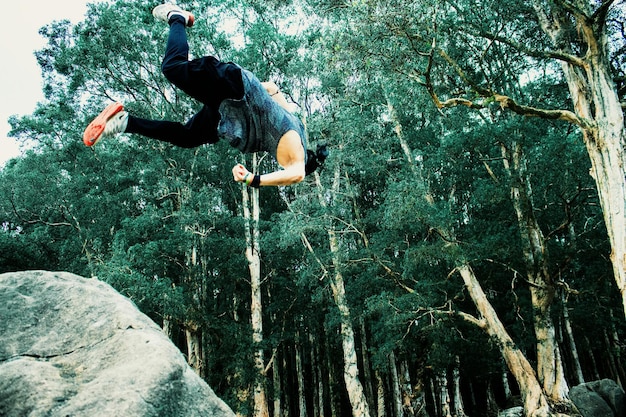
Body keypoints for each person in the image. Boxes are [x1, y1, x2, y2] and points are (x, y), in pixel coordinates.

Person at [83, 4, 326, 187]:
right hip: (233, 90)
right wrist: (253, 179)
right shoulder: (295, 155)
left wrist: (251, 93)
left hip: (229, 109)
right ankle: (177, 17)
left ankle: (124, 122)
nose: (282, 169)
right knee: (173, 68)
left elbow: (272, 88)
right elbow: (296, 175)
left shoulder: (297, 127)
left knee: (188, 136)